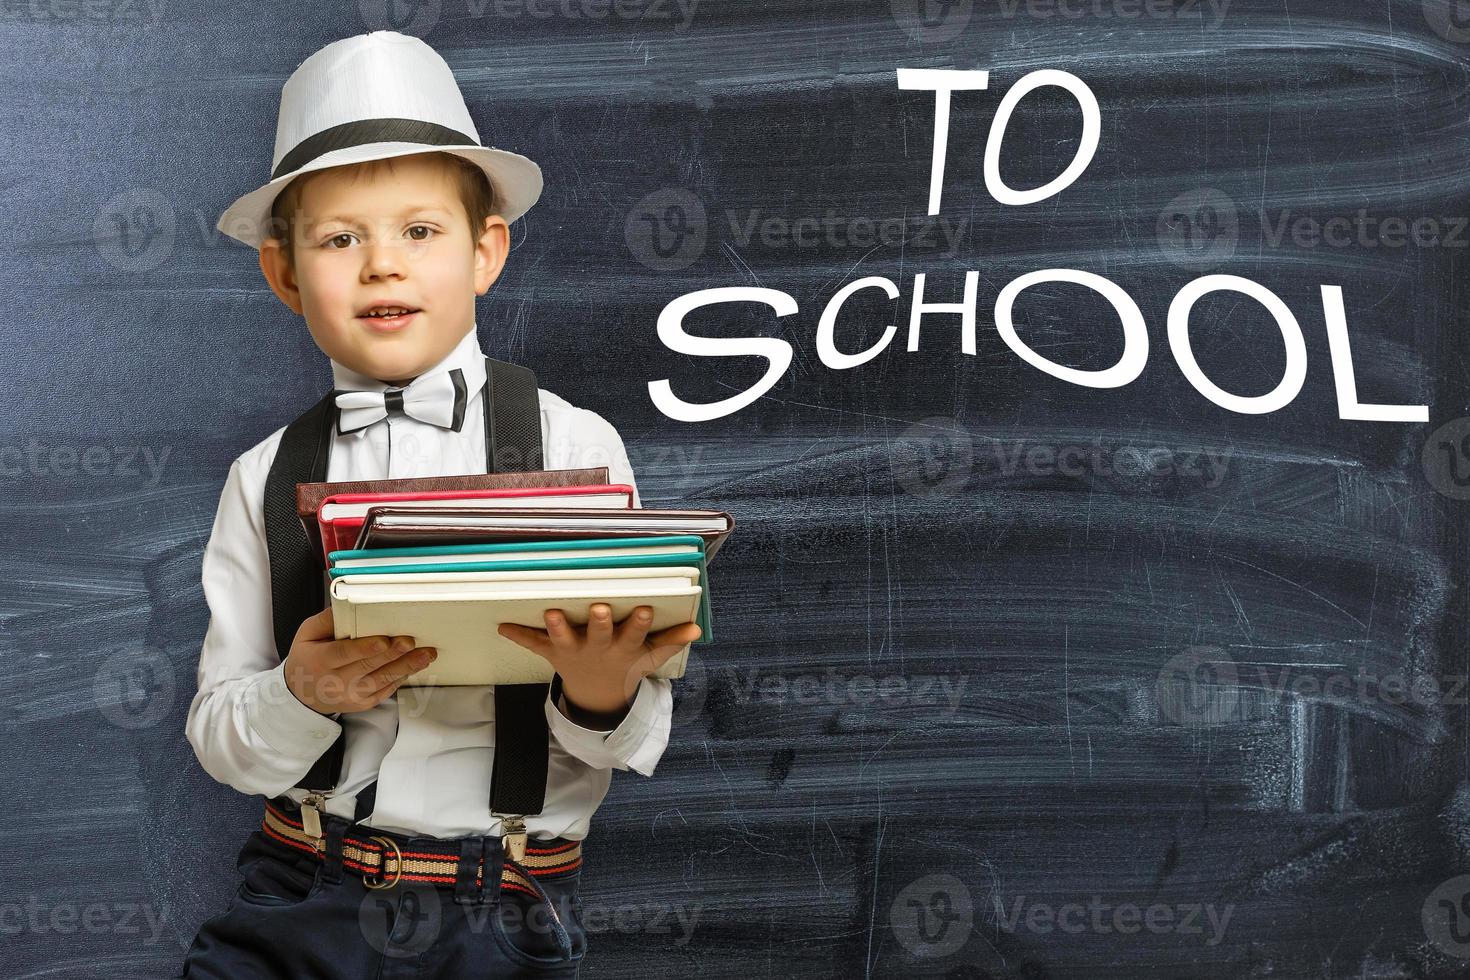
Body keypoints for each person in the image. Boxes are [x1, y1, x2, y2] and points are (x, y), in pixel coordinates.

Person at [178, 29, 699, 978]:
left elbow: (632, 736)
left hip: (499, 908)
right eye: (341, 238)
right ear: (285, 273)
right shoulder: (261, 474)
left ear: (485, 251)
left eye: (420, 231)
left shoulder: (575, 449)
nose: (383, 265)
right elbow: (221, 738)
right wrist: (300, 695)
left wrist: (600, 687)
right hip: (300, 888)